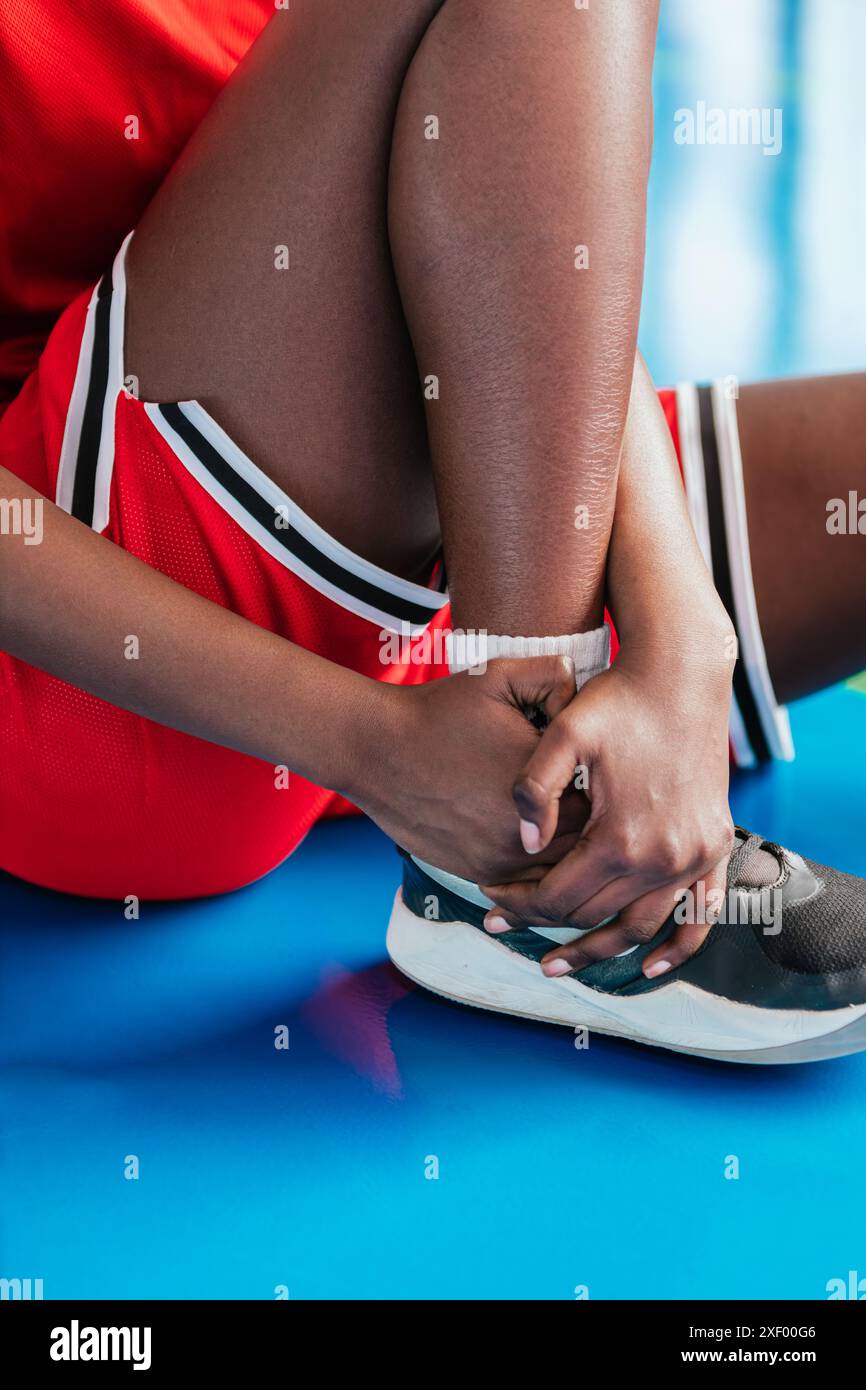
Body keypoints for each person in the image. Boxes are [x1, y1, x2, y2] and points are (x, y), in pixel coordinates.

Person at [1, 1, 865, 1062]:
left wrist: (679, 626)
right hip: (114, 656)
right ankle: (538, 845)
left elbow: (516, 173)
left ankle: (538, 733)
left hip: (422, 543)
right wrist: (372, 744)